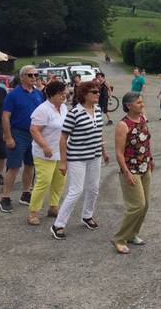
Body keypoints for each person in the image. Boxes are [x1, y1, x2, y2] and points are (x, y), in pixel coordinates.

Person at [51, 81, 110, 240]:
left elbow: (99, 132)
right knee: (75, 191)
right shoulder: (74, 113)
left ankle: (87, 216)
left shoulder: (97, 109)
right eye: (94, 92)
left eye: (98, 92)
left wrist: (104, 151)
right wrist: (63, 161)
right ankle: (58, 224)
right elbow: (63, 138)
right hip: (77, 157)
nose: (98, 94)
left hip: (95, 156)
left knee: (93, 188)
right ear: (84, 94)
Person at [112, 92, 153, 254]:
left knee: (145, 205)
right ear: (129, 105)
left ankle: (132, 234)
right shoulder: (123, 125)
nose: (142, 105)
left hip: (145, 166)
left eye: (142, 102)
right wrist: (126, 172)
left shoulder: (143, 118)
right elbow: (119, 152)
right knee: (137, 205)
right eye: (138, 102)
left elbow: (146, 140)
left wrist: (151, 158)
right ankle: (119, 238)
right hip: (131, 169)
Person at [0, 65, 45, 213]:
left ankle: (26, 193)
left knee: (30, 165)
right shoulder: (13, 95)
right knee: (13, 166)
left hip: (34, 134)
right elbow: (5, 116)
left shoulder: (38, 94)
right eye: (30, 75)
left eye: (36, 75)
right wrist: (8, 137)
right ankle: (5, 197)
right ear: (22, 77)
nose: (34, 78)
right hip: (18, 133)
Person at [27, 80, 68, 225]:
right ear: (51, 94)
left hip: (61, 152)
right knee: (43, 181)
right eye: (61, 93)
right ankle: (33, 212)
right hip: (44, 153)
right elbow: (34, 130)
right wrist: (44, 146)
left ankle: (53, 207)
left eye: (65, 93)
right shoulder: (42, 109)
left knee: (59, 181)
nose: (64, 96)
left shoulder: (63, 108)